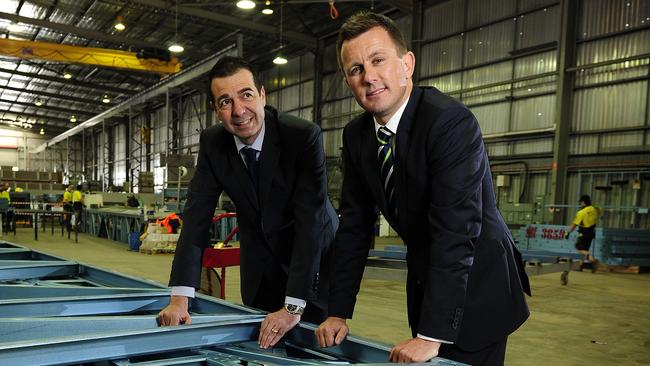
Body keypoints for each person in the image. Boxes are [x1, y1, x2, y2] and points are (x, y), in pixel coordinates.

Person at [315, 11, 530, 365]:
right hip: (427, 283)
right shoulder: (357, 137)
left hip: (478, 282)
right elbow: (353, 226)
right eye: (355, 69)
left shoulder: (450, 123)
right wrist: (338, 311)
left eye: (378, 60)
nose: (369, 77)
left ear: (407, 64)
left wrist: (432, 335)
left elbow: (456, 230)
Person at [157, 56, 338, 350]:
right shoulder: (213, 143)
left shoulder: (302, 136)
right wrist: (180, 298)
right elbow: (196, 220)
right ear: (216, 110)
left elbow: (311, 222)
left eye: (246, 95)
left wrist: (293, 307)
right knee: (261, 346)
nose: (239, 111)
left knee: (315, 345)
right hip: (260, 263)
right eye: (225, 102)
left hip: (315, 259)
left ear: (263, 95)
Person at [564, 195, 600, 272]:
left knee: (578, 247)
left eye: (581, 202)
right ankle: (580, 266)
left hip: (584, 232)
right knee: (584, 249)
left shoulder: (581, 212)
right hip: (591, 232)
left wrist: (568, 232)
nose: (580, 204)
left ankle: (592, 260)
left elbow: (574, 224)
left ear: (584, 202)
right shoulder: (595, 209)